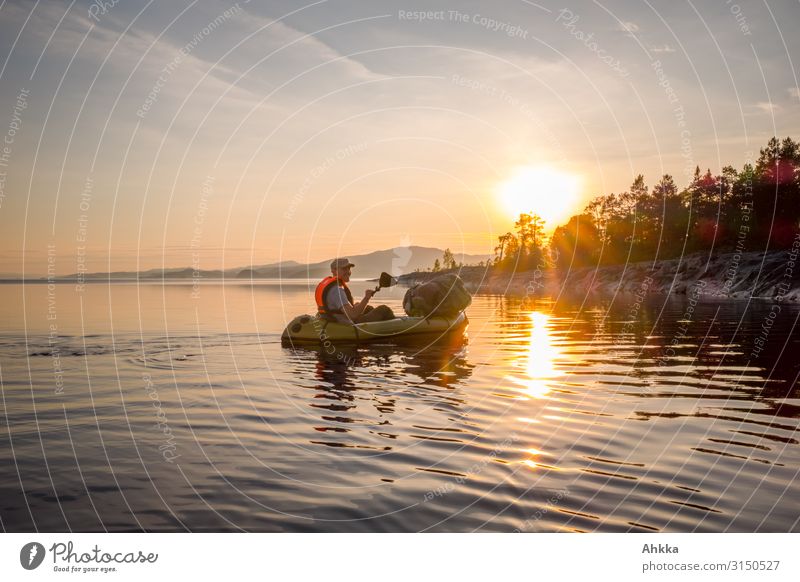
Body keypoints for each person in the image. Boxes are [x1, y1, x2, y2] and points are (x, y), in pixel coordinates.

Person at [315, 258, 395, 324]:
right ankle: (396, 330)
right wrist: (366, 298)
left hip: (334, 319)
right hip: (344, 324)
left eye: (348, 268)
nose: (348, 272)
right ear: (334, 270)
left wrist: (357, 305)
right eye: (344, 269)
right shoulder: (337, 291)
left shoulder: (332, 286)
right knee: (384, 310)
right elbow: (353, 315)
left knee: (368, 308)